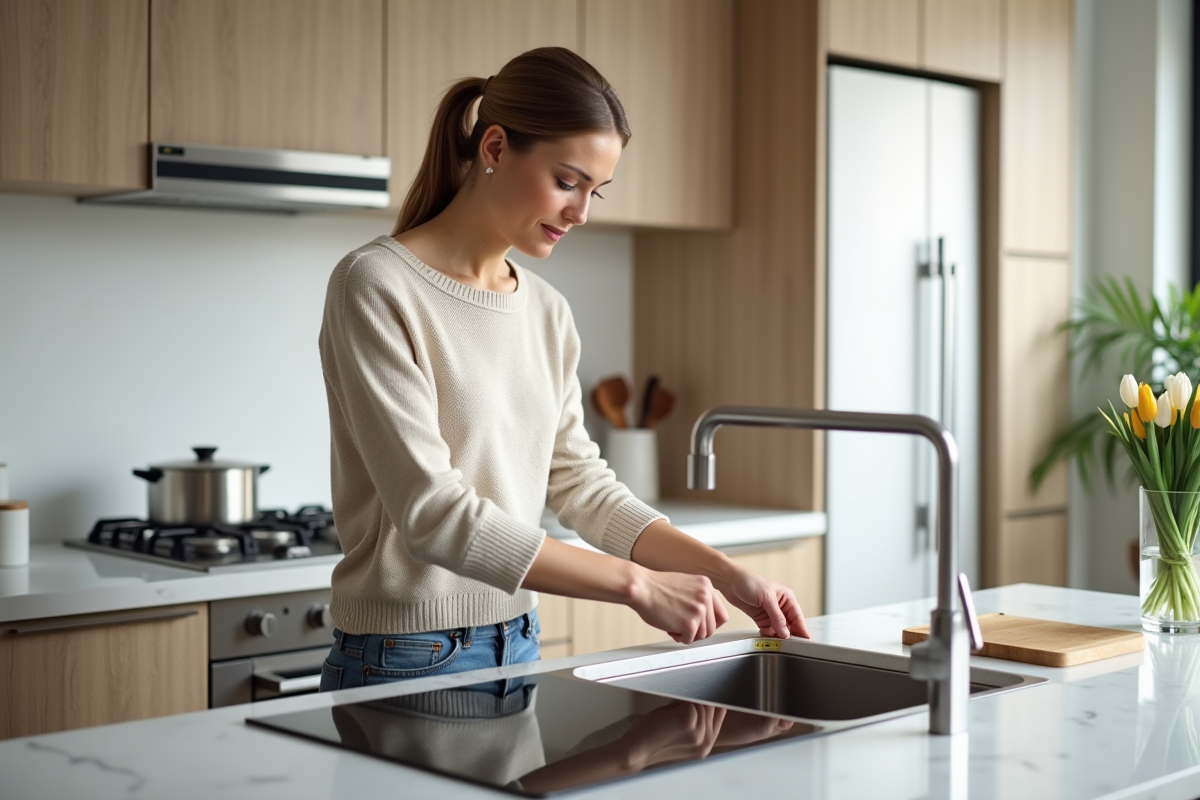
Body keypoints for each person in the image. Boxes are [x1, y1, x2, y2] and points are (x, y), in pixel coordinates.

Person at [317, 46, 809, 695]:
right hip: (403, 654)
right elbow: (433, 513)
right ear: (494, 148)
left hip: (517, 639)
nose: (582, 212)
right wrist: (637, 585)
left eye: (595, 190)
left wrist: (724, 573)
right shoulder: (376, 284)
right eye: (568, 180)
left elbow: (580, 486)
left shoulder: (546, 310)